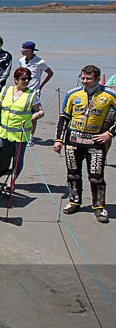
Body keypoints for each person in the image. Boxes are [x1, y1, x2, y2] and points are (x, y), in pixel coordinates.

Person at [54, 65, 116, 223]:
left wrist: (109, 134)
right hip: (73, 139)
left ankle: (99, 207)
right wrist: (59, 140)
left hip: (95, 140)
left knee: (96, 176)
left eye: (88, 79)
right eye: (82, 78)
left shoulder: (109, 95)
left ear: (97, 79)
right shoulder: (73, 93)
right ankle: (74, 201)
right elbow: (64, 118)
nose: (85, 81)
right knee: (72, 173)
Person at [0, 67, 44, 183]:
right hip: (4, 132)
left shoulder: (31, 95)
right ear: (16, 79)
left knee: (17, 159)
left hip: (20, 135)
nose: (26, 81)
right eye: (23, 78)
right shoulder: (6, 90)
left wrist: (37, 114)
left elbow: (41, 111)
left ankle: (12, 182)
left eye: (28, 79)